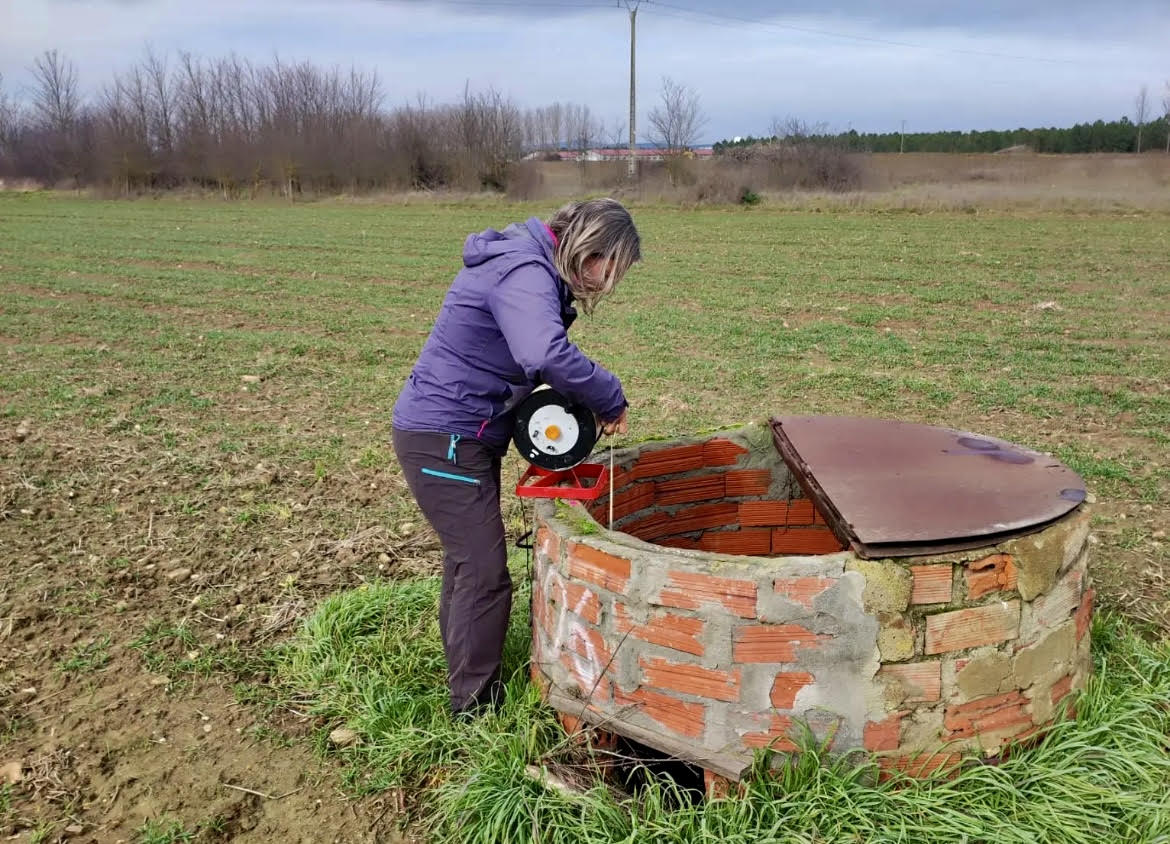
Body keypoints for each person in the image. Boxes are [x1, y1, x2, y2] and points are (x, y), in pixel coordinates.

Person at [391, 197, 641, 717]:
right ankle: (474, 709)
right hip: (443, 436)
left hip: (459, 433)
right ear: (588, 245)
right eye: (609, 267)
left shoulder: (526, 264)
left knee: (467, 566)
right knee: (482, 571)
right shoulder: (524, 268)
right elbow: (543, 352)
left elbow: (525, 360)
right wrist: (608, 392)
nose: (608, 282)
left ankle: (465, 680)